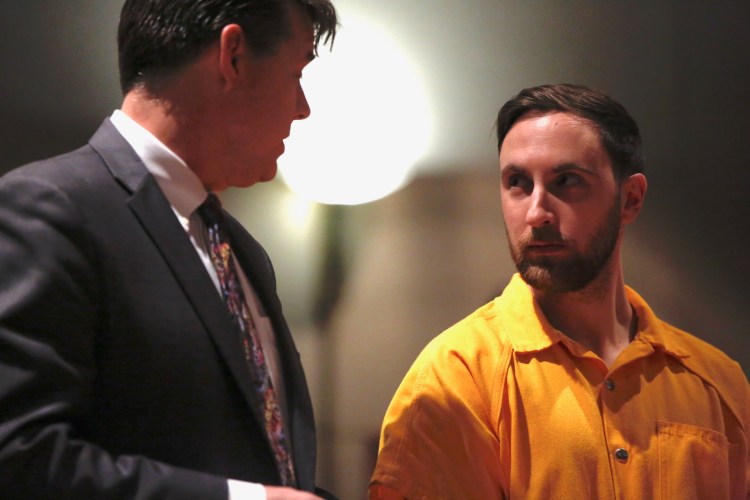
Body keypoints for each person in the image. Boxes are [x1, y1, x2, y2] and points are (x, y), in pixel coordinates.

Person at [0, 0, 338, 498]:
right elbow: (19, 455)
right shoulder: (48, 209)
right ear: (234, 56)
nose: (303, 107)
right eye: (296, 72)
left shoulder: (242, 251)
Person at [369, 83, 749, 499]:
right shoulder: (456, 375)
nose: (536, 212)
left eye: (567, 181)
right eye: (517, 182)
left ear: (631, 199)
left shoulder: (718, 383)